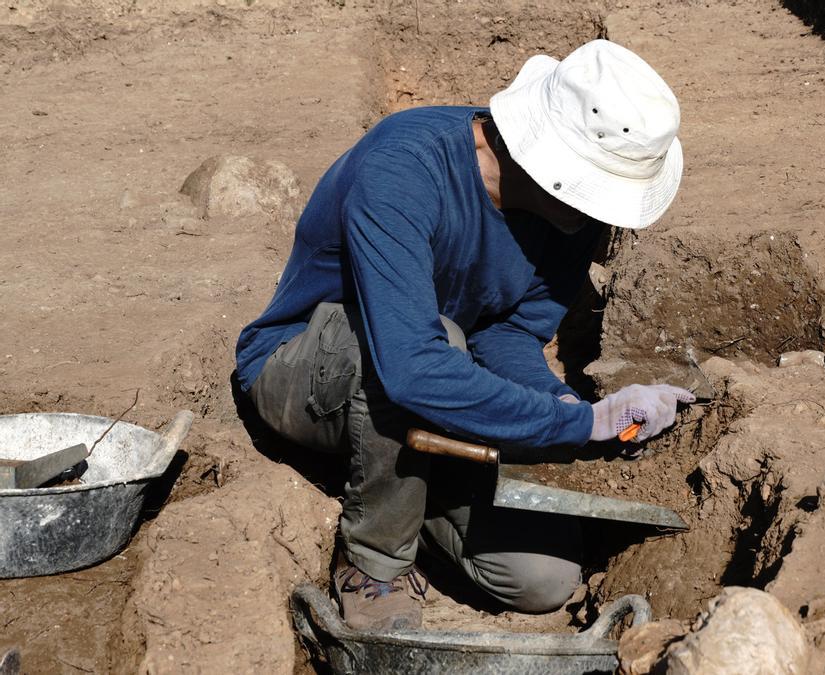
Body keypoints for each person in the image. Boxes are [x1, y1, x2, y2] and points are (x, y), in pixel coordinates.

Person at [234, 39, 692, 631]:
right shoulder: (405, 167)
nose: (602, 213)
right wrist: (582, 425)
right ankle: (373, 563)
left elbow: (509, 333)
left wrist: (561, 403)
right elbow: (412, 367)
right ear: (553, 165)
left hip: (420, 401)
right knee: (438, 341)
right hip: (304, 371)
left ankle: (399, 489)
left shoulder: (569, 219)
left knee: (542, 580)